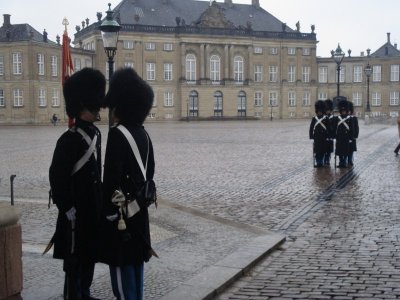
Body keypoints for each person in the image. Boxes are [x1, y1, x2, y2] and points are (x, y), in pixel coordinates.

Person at [100, 67, 157, 300]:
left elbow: (111, 179)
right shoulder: (144, 134)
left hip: (122, 217)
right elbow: (150, 171)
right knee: (136, 265)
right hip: (140, 212)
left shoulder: (116, 134)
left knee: (122, 274)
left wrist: (110, 212)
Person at [49, 68, 105, 300]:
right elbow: (56, 175)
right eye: (95, 104)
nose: (99, 108)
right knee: (74, 261)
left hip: (91, 209)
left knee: (90, 254)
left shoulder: (96, 134)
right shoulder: (69, 139)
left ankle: (86, 292)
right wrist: (66, 205)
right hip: (74, 212)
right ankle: (73, 295)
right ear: (84, 105)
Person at [309, 100, 329, 167]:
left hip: (323, 137)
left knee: (323, 151)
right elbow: (311, 128)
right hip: (317, 137)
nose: (319, 113)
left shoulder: (326, 118)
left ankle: (321, 161)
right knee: (317, 151)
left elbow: (328, 128)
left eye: (320, 112)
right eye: (318, 112)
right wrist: (311, 136)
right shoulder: (314, 119)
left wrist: (328, 136)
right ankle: (318, 162)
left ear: (322, 112)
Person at [333, 99, 352, 168]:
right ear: (341, 111)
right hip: (339, 137)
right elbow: (335, 128)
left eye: (344, 111)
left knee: (345, 151)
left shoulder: (349, 118)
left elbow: (352, 129)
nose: (343, 112)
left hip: (346, 137)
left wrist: (351, 138)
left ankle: (344, 162)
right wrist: (334, 137)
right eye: (342, 111)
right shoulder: (337, 118)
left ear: (346, 111)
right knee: (339, 151)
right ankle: (341, 162)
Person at [347, 101, 359, 166]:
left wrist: (355, 135)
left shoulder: (354, 118)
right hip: (345, 136)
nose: (348, 112)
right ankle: (346, 160)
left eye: (349, 111)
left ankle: (350, 160)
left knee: (351, 150)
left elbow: (356, 127)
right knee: (346, 149)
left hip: (352, 136)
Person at [323, 99, 335, 166]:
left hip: (330, 136)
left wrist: (332, 136)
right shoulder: (323, 117)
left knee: (329, 150)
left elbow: (334, 128)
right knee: (324, 149)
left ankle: (327, 160)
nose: (327, 111)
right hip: (324, 136)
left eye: (328, 110)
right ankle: (324, 160)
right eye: (326, 110)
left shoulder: (333, 118)